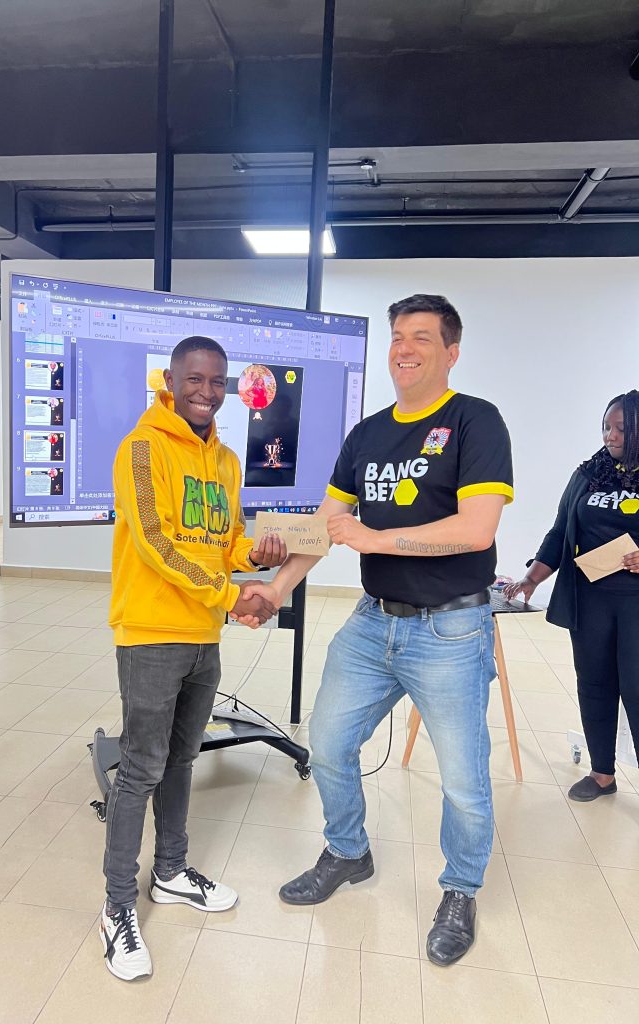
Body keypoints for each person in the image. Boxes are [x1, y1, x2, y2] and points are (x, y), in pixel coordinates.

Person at [235, 294, 513, 966]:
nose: (404, 349)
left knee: (463, 780)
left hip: (451, 629)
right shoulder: (366, 435)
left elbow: (477, 528)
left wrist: (375, 538)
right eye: (396, 337)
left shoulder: (474, 420)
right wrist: (276, 588)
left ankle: (460, 889)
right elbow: (324, 526)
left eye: (421, 337)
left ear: (451, 351)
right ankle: (347, 851)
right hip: (373, 624)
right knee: (329, 743)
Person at [102, 335, 286, 982]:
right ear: (171, 382)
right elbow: (155, 542)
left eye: (216, 382)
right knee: (140, 769)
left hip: (204, 636)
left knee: (182, 759)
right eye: (195, 380)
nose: (206, 392)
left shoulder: (227, 460)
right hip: (151, 633)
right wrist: (229, 594)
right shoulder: (142, 448)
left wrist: (255, 556)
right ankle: (117, 906)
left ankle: (172, 871)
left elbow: (223, 538)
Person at [505, 390, 639, 801]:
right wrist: (532, 578)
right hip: (590, 598)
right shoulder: (588, 473)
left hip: (635, 603)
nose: (610, 436)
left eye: (621, 428)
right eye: (606, 427)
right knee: (594, 683)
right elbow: (560, 529)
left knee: (637, 689)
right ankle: (602, 774)